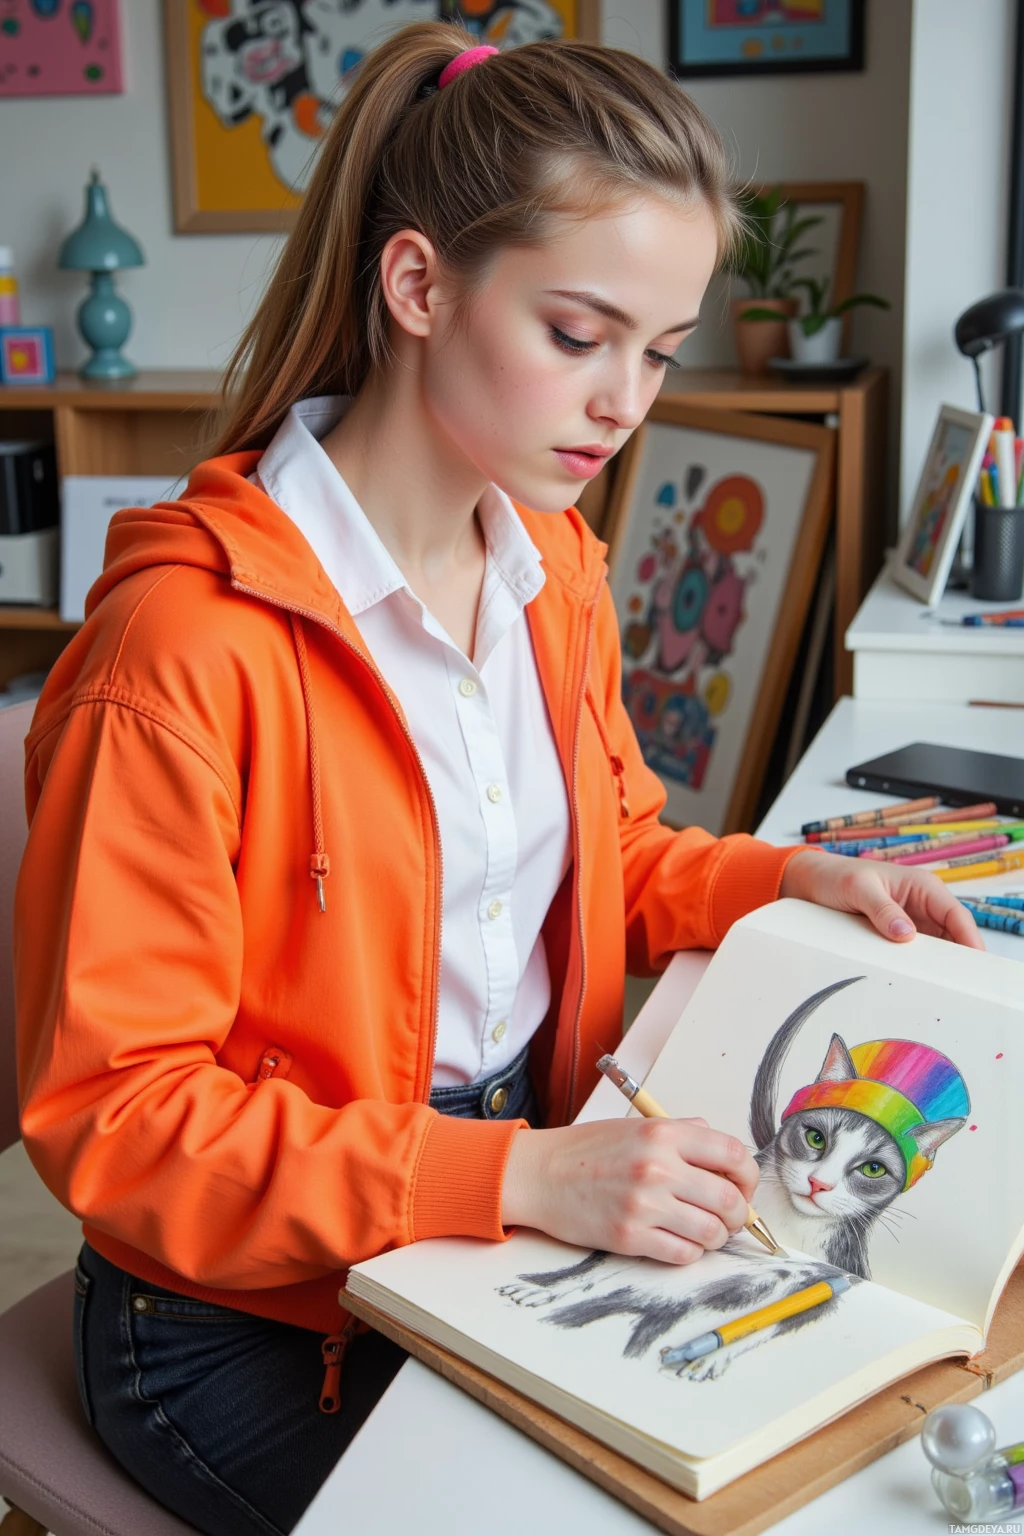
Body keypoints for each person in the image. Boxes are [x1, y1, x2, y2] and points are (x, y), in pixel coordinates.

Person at [13, 24, 981, 1536]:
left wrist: (785, 875)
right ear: (417, 286)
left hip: (517, 1200)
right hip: (246, 1319)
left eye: (658, 352)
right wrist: (520, 1179)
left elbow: (607, 850)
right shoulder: (182, 652)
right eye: (579, 335)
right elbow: (119, 1121)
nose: (626, 402)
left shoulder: (551, 568)